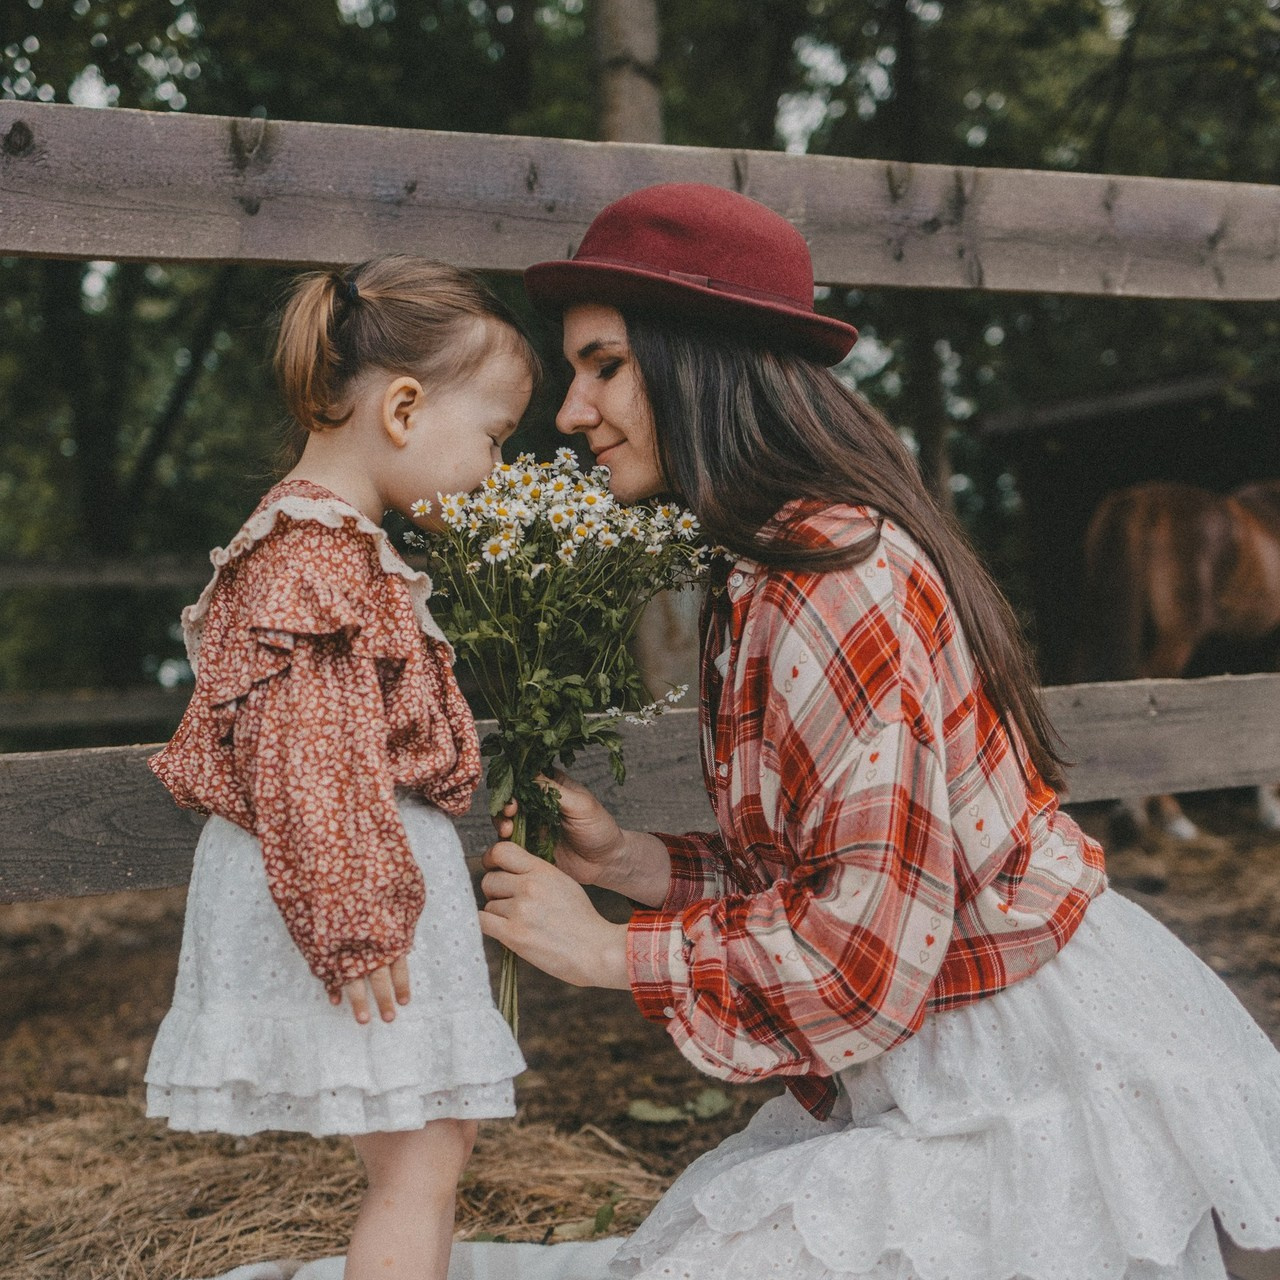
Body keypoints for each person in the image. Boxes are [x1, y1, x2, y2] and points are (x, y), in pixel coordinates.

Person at [475, 184, 1280, 1280]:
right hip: (944, 1039)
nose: (570, 412)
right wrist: (631, 862)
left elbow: (861, 950)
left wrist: (610, 950)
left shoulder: (826, 578)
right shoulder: (774, 560)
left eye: (603, 364)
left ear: (706, 358)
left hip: (1018, 1067)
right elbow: (840, 866)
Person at [145, 255, 534, 1280]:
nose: (492, 466)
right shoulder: (311, 558)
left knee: (433, 1137)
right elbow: (307, 754)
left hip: (358, 875)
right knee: (423, 1153)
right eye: (492, 436)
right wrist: (354, 915)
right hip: (345, 889)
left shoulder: (334, 546)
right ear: (403, 408)